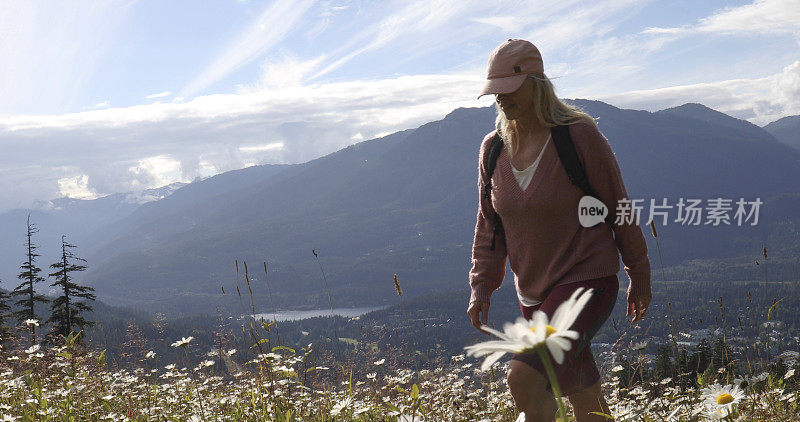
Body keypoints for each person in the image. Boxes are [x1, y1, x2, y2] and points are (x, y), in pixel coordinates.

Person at [466, 39, 652, 422]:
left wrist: (639, 272)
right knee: (586, 399)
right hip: (534, 293)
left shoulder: (577, 136)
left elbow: (619, 206)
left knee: (523, 378)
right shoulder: (493, 150)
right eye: (495, 91)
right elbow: (489, 226)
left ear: (536, 82)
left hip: (588, 281)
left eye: (508, 88)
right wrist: (481, 286)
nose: (500, 99)